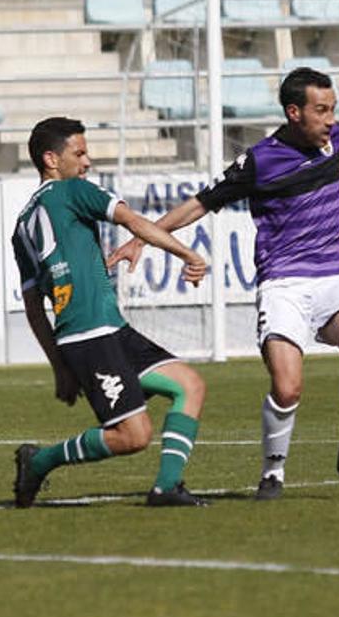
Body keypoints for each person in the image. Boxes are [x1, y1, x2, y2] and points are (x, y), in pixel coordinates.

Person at [109, 66, 339, 500]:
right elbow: (200, 204)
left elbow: (336, 144)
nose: (331, 119)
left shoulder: (330, 135)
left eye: (334, 110)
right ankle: (273, 472)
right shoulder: (259, 162)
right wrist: (144, 237)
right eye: (321, 110)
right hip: (284, 283)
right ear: (294, 113)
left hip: (333, 273)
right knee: (288, 386)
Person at [11, 116, 209, 508]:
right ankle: (40, 461)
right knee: (133, 436)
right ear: (51, 159)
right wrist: (186, 253)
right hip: (91, 337)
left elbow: (35, 308)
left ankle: (166, 488)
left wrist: (59, 366)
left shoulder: (22, 225)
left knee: (190, 385)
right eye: (79, 153)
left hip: (105, 331)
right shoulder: (72, 191)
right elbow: (134, 221)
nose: (86, 163)